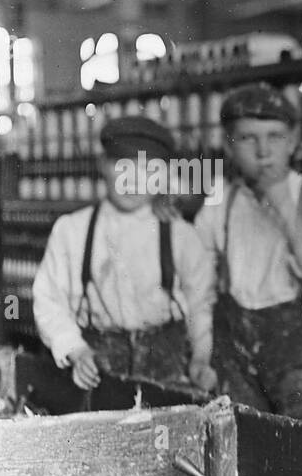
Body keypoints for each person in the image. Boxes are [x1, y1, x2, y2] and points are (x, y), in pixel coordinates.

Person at [194, 83, 302, 427]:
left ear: (294, 143)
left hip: (300, 356)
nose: (263, 150)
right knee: (241, 452)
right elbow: (199, 286)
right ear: (229, 146)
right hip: (235, 357)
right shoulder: (221, 199)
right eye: (249, 138)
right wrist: (201, 355)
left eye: (275, 137)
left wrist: (284, 206)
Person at [32, 116, 216, 393]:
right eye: (122, 165)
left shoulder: (181, 235)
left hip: (166, 370)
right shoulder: (72, 230)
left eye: (148, 169)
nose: (134, 180)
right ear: (102, 164)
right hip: (98, 370)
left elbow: (201, 307)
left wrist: (201, 360)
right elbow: (48, 302)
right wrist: (75, 349)